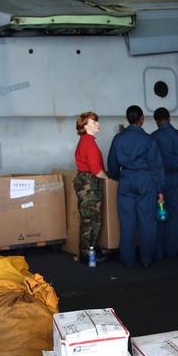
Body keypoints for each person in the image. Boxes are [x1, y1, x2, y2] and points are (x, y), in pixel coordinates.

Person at [107, 105, 165, 269]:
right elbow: (156, 166)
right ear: (142, 119)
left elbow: (112, 164)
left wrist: (117, 176)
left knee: (127, 223)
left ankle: (128, 260)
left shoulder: (118, 139)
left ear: (128, 119)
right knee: (147, 222)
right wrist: (160, 189)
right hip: (145, 181)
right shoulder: (148, 140)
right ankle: (146, 259)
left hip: (126, 179)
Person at [151, 107, 178, 260]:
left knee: (159, 213)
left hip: (158, 178)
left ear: (156, 121)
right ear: (169, 118)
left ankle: (158, 252)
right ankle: (171, 251)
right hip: (176, 177)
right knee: (176, 214)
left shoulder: (153, 137)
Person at [73, 111, 109, 264]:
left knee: (88, 220)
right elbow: (96, 169)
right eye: (94, 122)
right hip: (90, 186)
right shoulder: (89, 143)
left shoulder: (84, 141)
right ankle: (88, 254)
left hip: (85, 184)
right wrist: (108, 179)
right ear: (86, 126)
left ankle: (87, 252)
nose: (98, 124)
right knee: (92, 221)